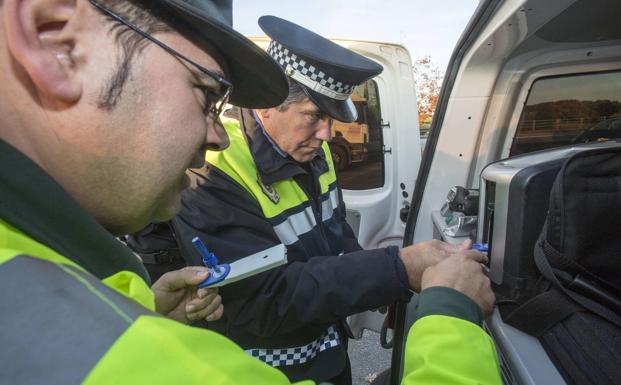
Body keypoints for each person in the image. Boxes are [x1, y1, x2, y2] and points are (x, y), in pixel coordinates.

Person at [0, 1, 500, 384]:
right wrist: (434, 298)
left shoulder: (313, 150)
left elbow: (333, 231)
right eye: (203, 91)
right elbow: (261, 300)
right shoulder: (212, 175)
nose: (328, 135)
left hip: (326, 347)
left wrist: (385, 280)